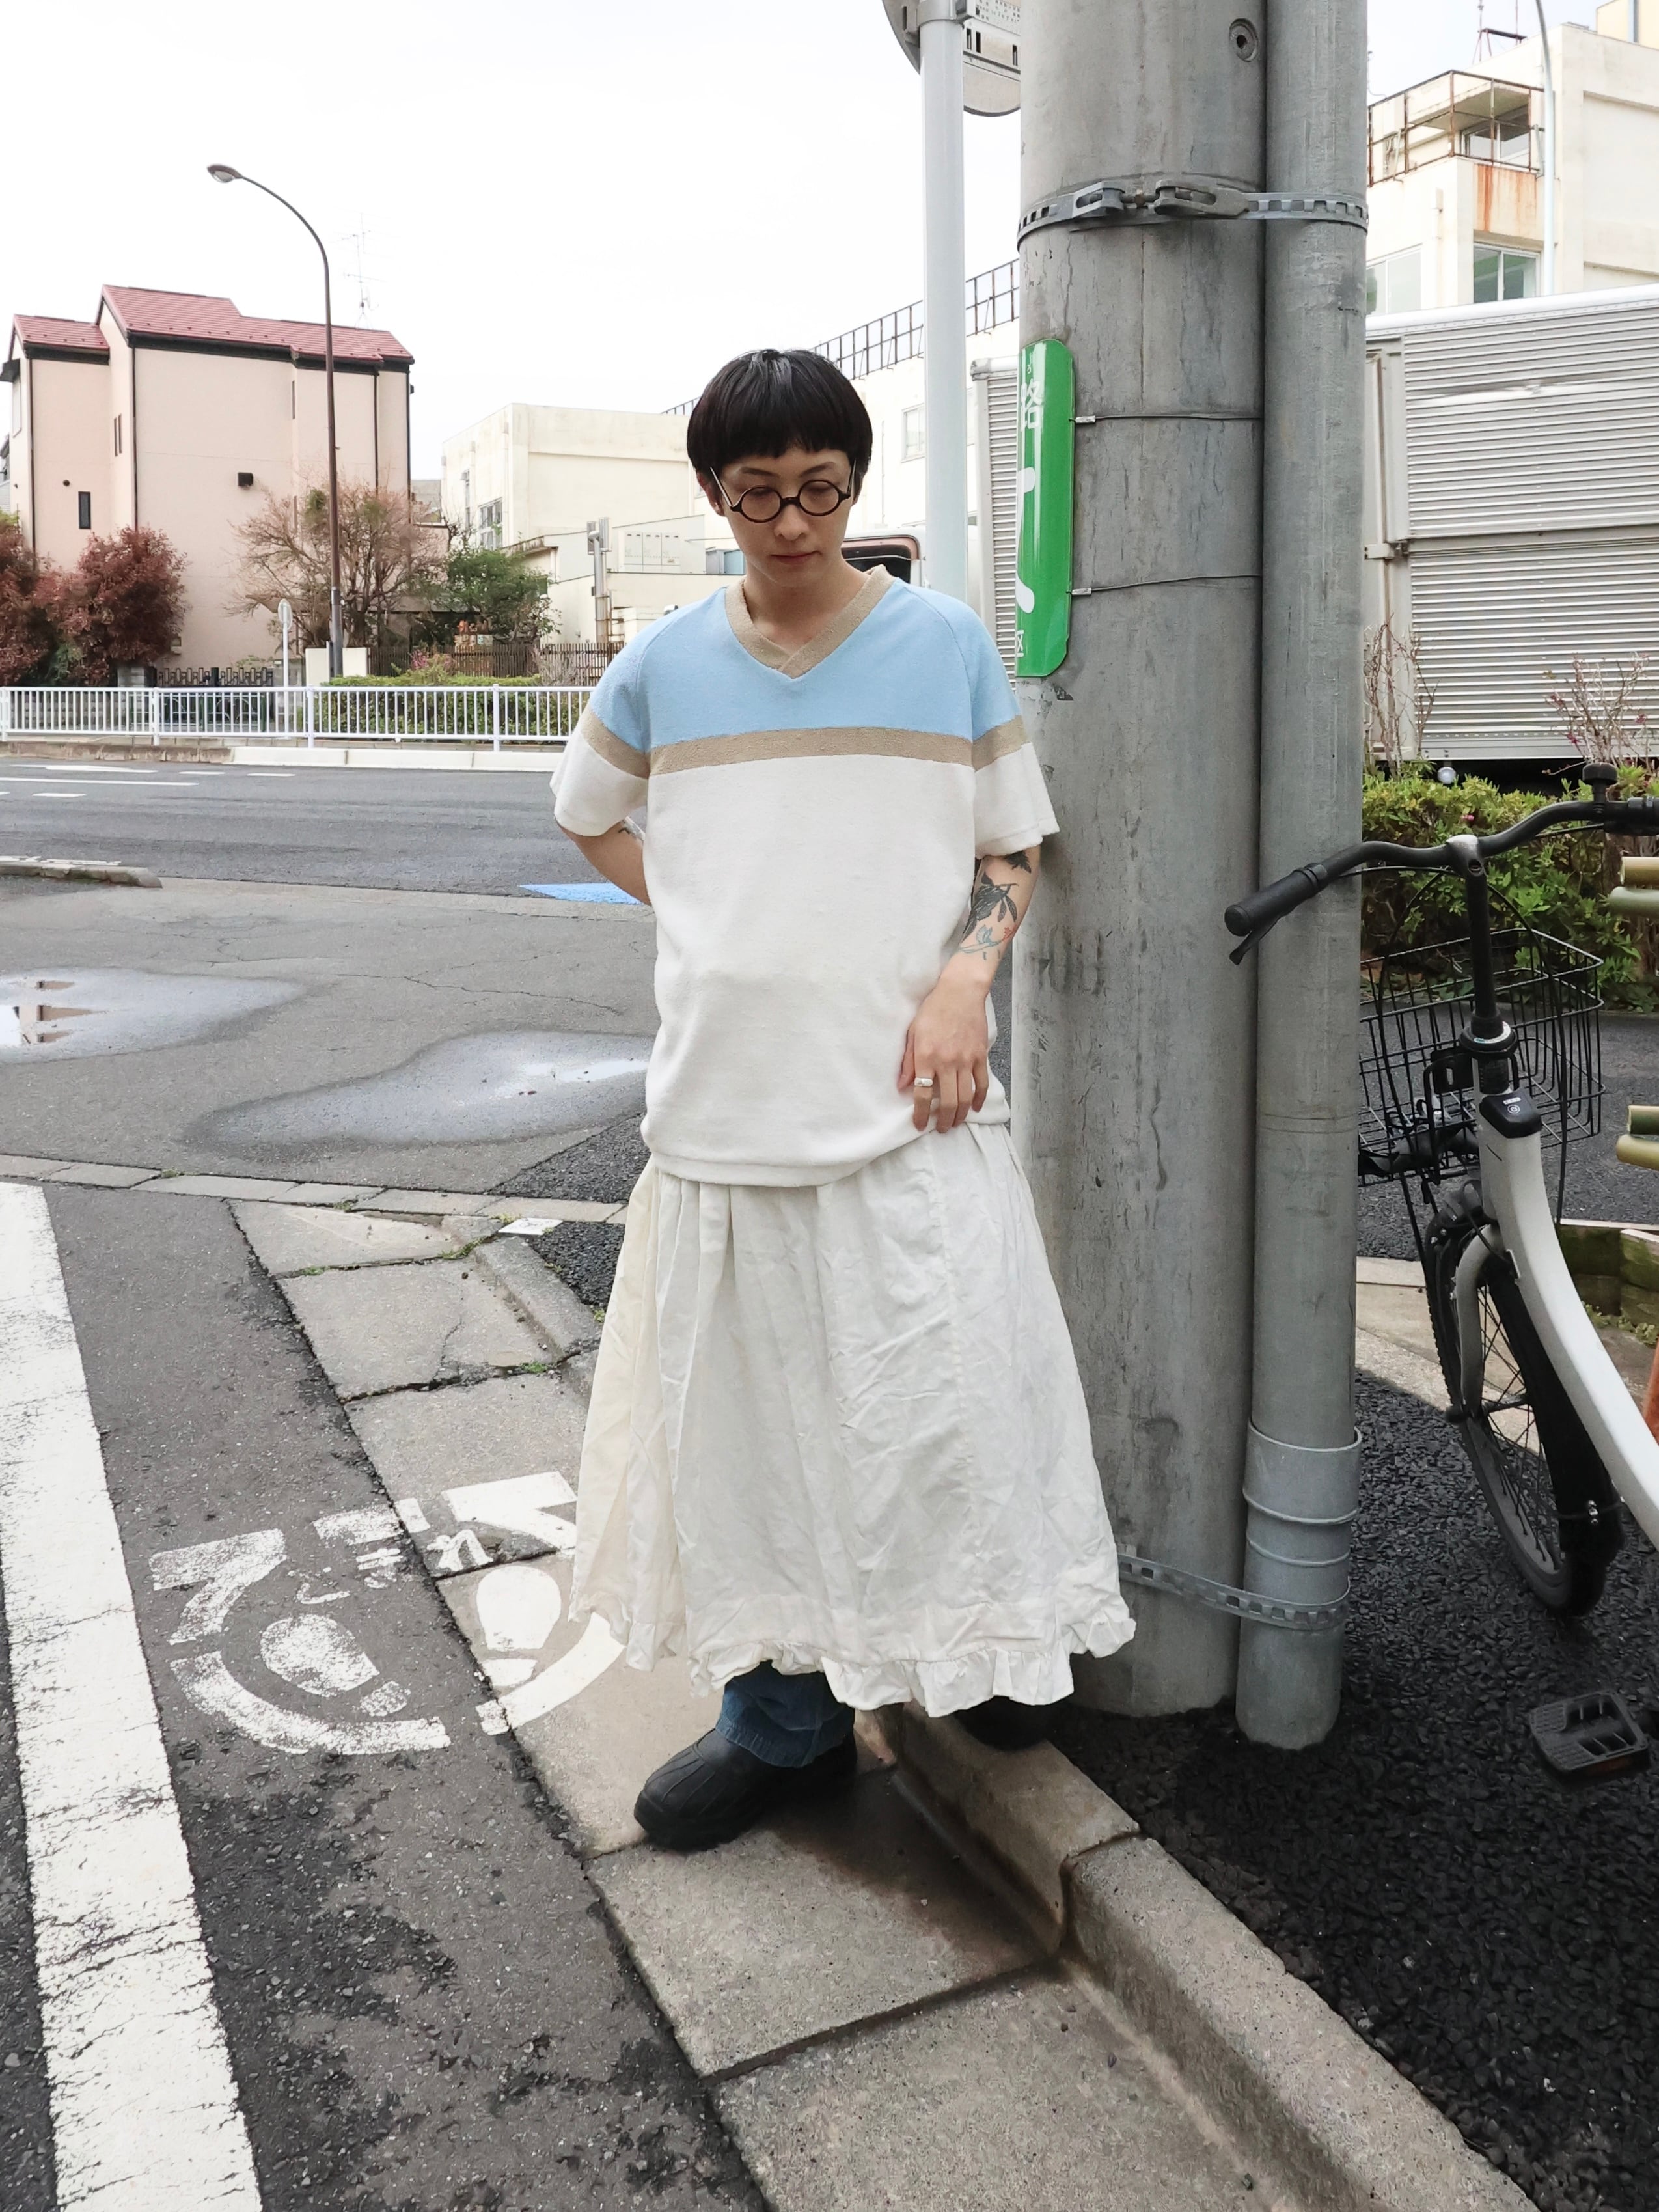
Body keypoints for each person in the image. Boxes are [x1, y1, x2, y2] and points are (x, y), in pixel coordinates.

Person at [552, 347, 1132, 1852]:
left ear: (856, 484)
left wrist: (964, 978)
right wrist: (707, 921)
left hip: (910, 1108)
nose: (796, 523)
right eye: (761, 495)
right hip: (727, 1116)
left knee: (950, 1411)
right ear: (715, 496)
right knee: (753, 1444)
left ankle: (980, 1656)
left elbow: (1015, 845)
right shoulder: (662, 663)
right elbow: (588, 812)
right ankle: (784, 1730)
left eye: (821, 489)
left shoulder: (943, 646)